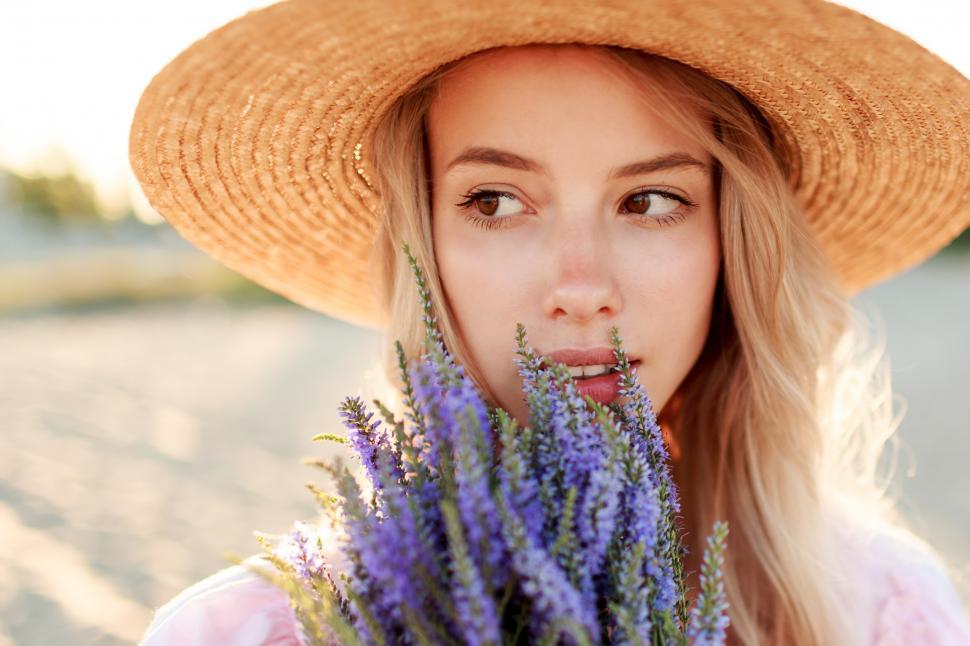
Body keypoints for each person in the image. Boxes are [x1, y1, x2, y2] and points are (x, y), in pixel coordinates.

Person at [130, 0, 970, 644]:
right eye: (495, 202)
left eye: (650, 201)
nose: (581, 287)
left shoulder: (884, 612)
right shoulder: (258, 632)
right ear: (421, 244)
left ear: (731, 245)